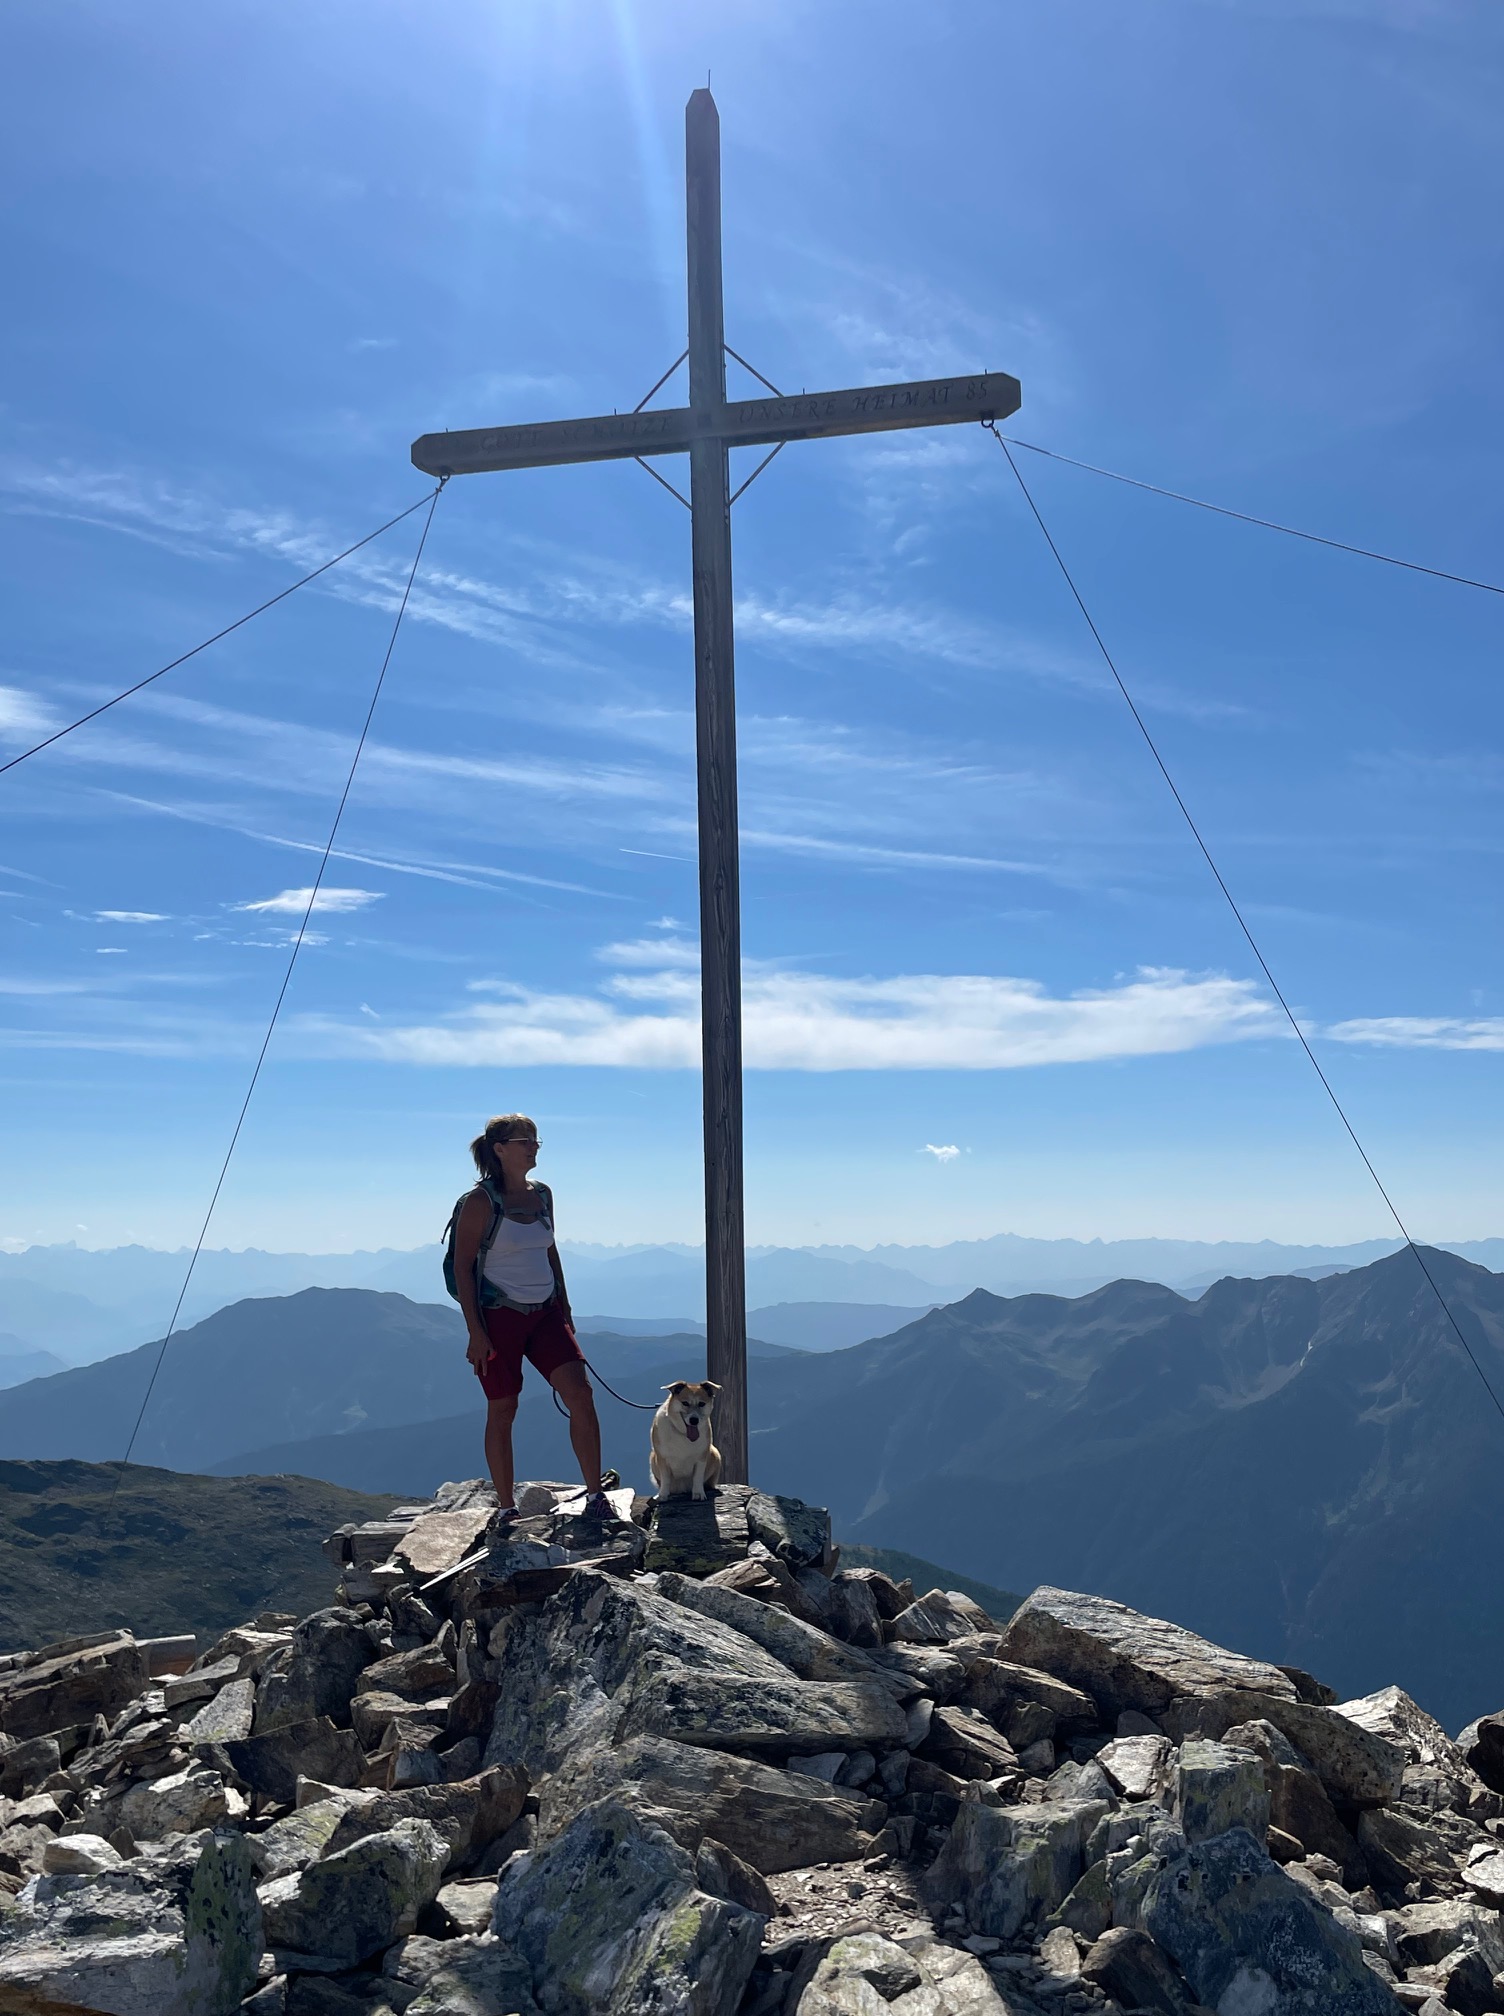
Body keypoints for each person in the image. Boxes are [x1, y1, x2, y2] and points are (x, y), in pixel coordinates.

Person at [452, 1113, 611, 1524]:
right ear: (500, 1149)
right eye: (526, 1140)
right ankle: (506, 1508)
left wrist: (566, 1308)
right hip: (498, 1316)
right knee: (503, 1409)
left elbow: (549, 1250)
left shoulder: (542, 1195)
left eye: (537, 1140)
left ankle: (595, 1495)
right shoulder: (480, 1202)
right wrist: (475, 1332)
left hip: (546, 1313)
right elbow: (462, 1266)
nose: (534, 1147)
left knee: (581, 1394)